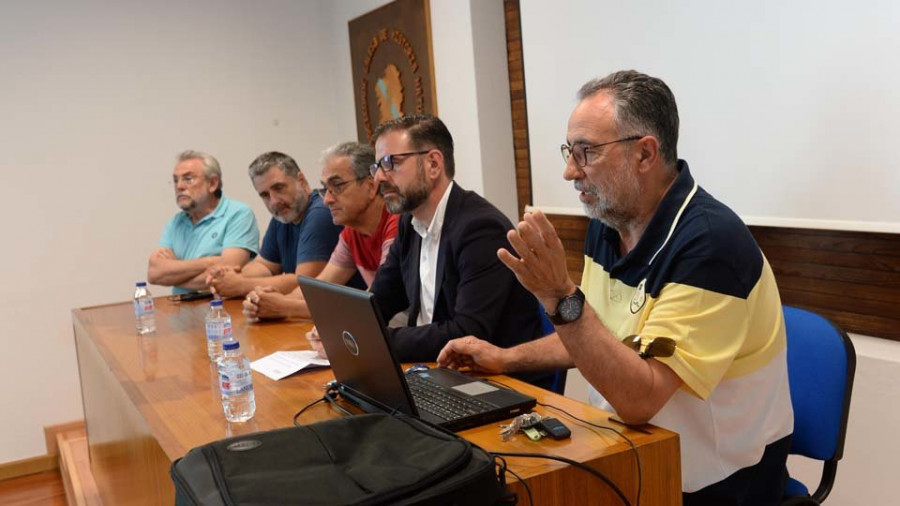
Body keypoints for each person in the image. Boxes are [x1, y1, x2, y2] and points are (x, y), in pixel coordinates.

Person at [437, 71, 793, 503]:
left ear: (644, 154)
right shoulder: (609, 222)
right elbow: (594, 335)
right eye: (570, 151)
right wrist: (504, 358)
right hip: (631, 450)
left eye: (586, 153)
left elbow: (640, 399)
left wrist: (559, 296)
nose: (570, 171)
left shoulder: (711, 245)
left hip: (718, 482)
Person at [367, 114, 552, 387]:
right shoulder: (410, 221)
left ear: (433, 164)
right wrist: (348, 329)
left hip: (495, 384)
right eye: (377, 166)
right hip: (438, 373)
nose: (380, 177)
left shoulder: (481, 228)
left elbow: (467, 333)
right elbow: (381, 298)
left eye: (390, 163)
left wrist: (376, 342)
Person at [242, 142, 398, 320]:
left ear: (371, 187)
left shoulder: (396, 224)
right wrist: (266, 302)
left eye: (337, 186)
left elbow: (372, 304)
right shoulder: (351, 233)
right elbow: (318, 288)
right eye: (325, 189)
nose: (327, 200)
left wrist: (284, 307)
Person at [206, 151, 343, 298]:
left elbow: (304, 284)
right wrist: (228, 278)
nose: (274, 201)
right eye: (265, 195)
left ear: (301, 181)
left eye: (279, 188)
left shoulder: (321, 212)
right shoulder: (283, 215)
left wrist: (240, 285)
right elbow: (264, 266)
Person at [148, 150, 259, 294]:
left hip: (221, 311)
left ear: (212, 183)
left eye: (188, 179)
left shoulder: (238, 214)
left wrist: (174, 274)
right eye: (176, 180)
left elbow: (227, 274)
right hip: (180, 309)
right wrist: (210, 262)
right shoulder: (176, 222)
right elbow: (154, 273)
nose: (179, 186)